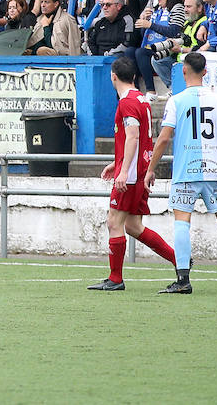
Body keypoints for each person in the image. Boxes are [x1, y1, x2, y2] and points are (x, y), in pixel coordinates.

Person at [145, 52, 217, 295]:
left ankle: (183, 279)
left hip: (187, 171)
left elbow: (164, 138)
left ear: (184, 71)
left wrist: (151, 169)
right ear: (205, 72)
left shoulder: (177, 101)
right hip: (214, 170)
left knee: (182, 223)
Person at [87, 57, 177, 291]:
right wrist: (116, 163)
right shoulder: (142, 100)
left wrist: (123, 170)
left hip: (132, 175)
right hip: (140, 170)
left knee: (114, 222)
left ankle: (115, 279)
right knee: (133, 226)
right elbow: (139, 138)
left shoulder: (126, 102)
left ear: (113, 76)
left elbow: (134, 135)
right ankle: (180, 261)